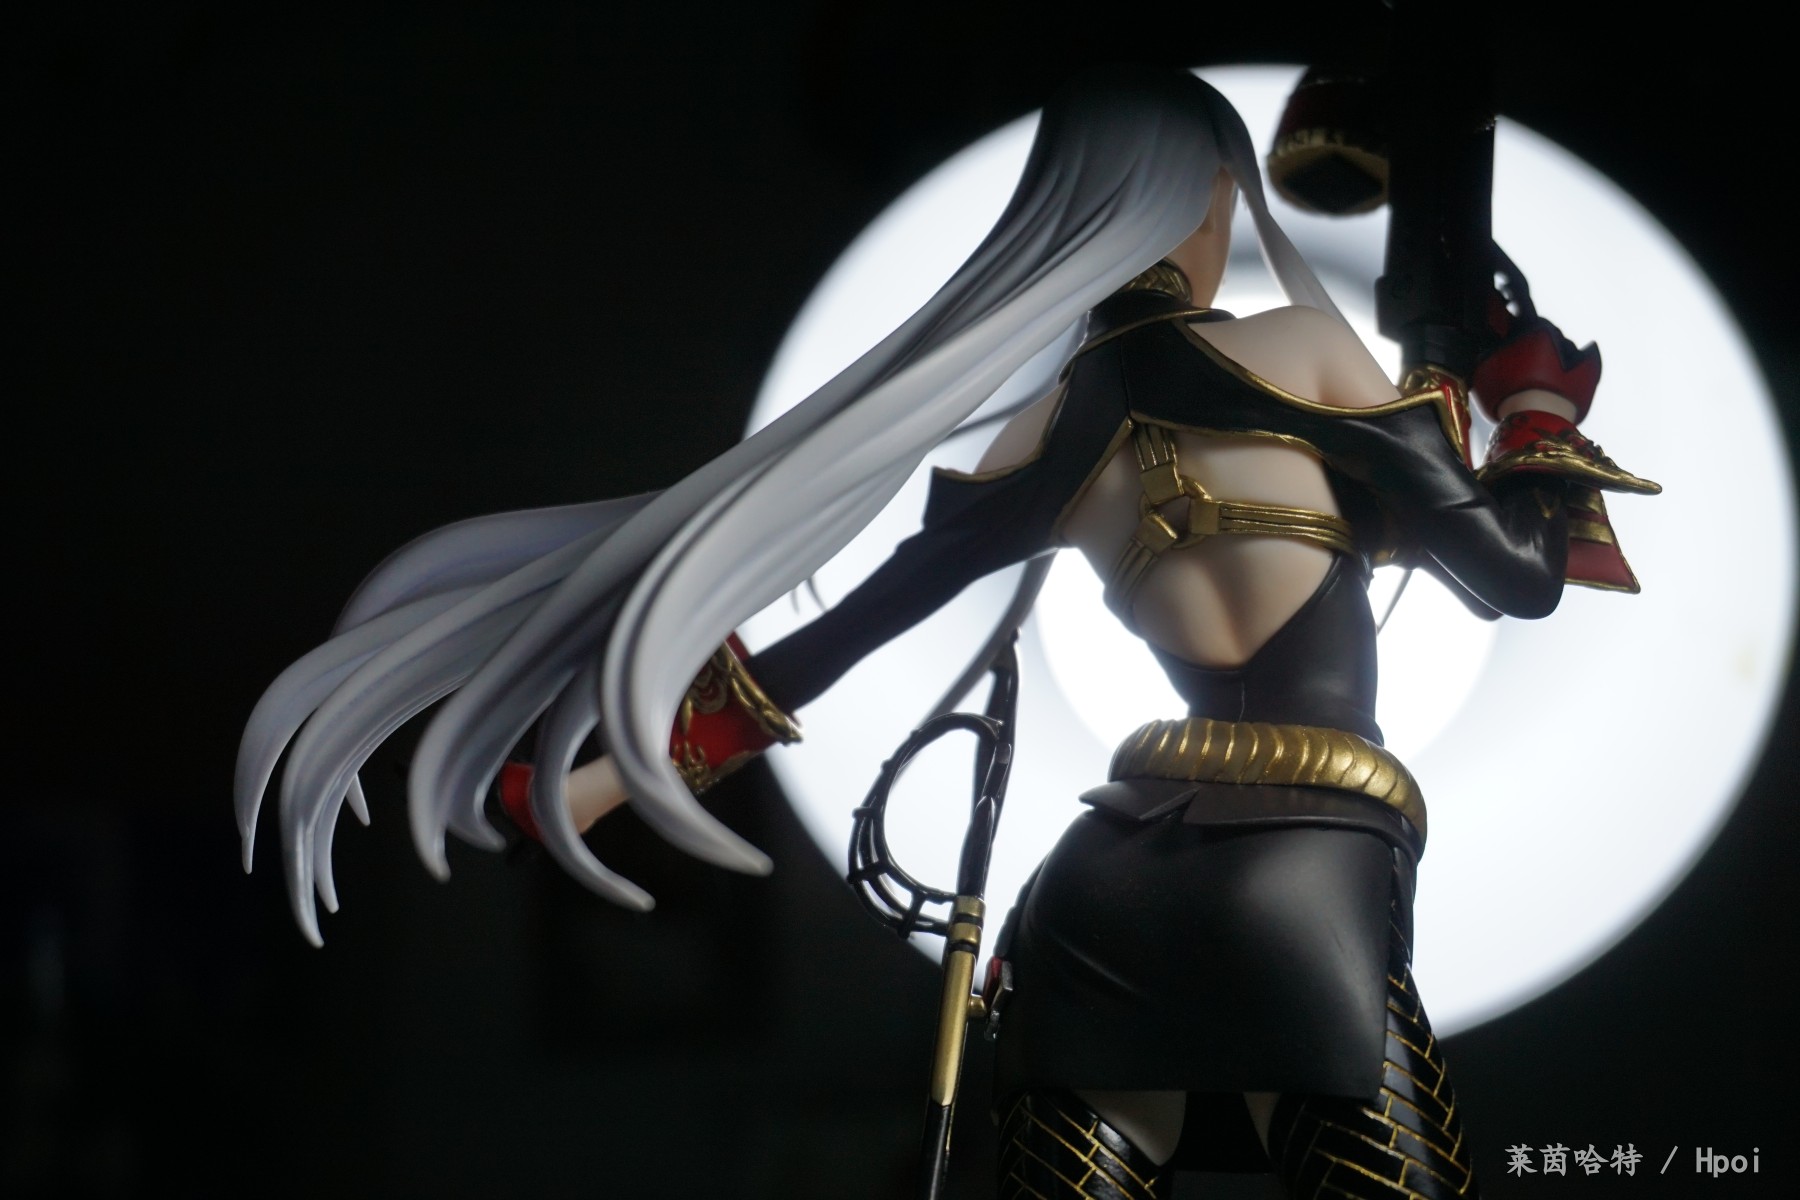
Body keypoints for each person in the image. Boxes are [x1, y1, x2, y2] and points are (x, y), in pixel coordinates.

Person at [238, 66, 1653, 1199]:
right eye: (1226, 191)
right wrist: (1532, 404)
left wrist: (608, 782)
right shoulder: (1304, 351)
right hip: (1305, 883)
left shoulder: (1043, 435)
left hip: (1101, 903)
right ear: (1203, 198)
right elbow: (1520, 578)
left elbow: (840, 638)